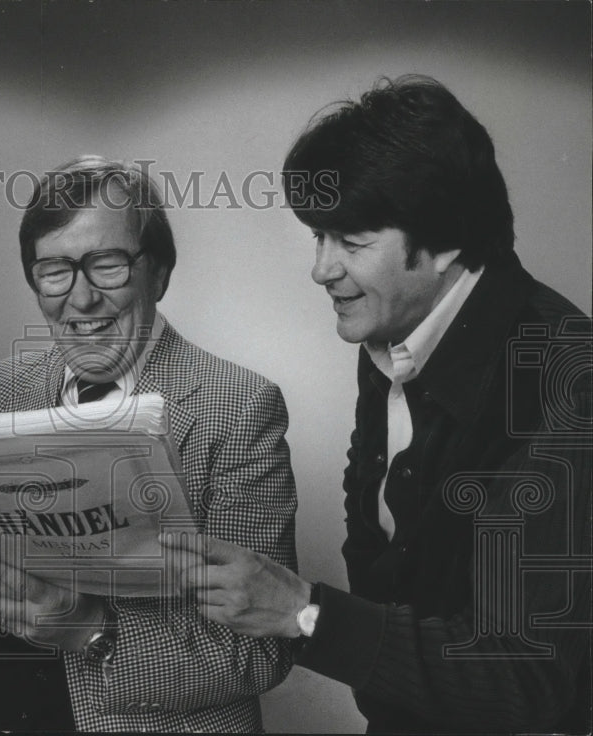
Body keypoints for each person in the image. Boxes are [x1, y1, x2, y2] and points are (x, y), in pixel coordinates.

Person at [165, 75, 592, 733]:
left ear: (446, 240)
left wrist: (302, 612)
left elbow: (524, 676)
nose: (321, 269)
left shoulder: (566, 382)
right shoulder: (395, 329)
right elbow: (378, 527)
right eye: (319, 237)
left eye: (352, 241)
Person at [0, 156, 298, 731]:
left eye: (107, 264)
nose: (81, 298)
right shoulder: (7, 387)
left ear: (159, 273)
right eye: (55, 270)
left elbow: (259, 650)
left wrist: (91, 630)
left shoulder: (241, 406)